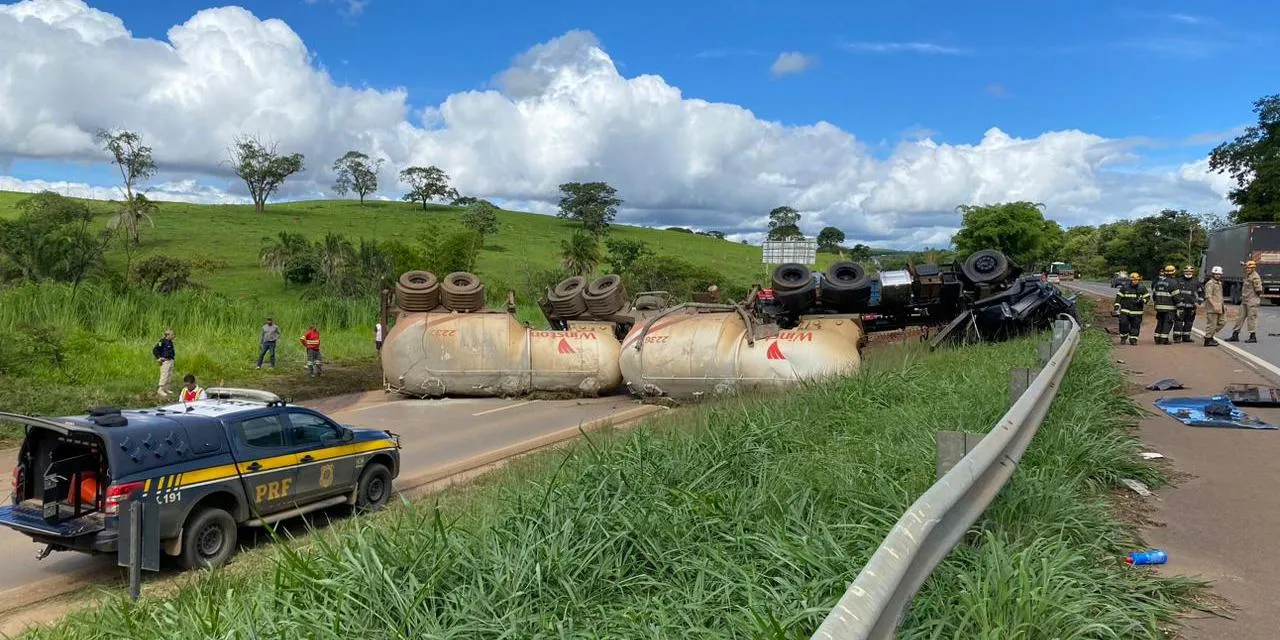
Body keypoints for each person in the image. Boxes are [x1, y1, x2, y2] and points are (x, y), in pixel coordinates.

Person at [1227, 259, 1263, 343]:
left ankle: (1252, 336)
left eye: (1249, 268)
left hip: (1252, 301)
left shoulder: (1255, 277)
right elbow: (1245, 265)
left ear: (1253, 269)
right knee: (1240, 317)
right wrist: (1243, 264)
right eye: (1246, 268)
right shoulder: (1248, 275)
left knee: (1251, 318)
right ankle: (1235, 334)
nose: (1247, 269)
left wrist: (1254, 298)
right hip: (1245, 300)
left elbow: (1259, 290)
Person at [1113, 272, 1149, 346]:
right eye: (1134, 280)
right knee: (1123, 324)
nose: (1135, 281)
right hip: (1125, 311)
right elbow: (1119, 297)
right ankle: (1123, 337)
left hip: (1137, 312)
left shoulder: (1142, 288)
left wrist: (1143, 300)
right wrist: (1117, 305)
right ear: (1130, 280)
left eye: (1137, 280)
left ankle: (1133, 339)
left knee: (1135, 326)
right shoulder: (1125, 288)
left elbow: (1147, 297)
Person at [1174, 265, 1203, 343]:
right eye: (1187, 271)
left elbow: (1201, 292)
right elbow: (1174, 292)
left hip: (1192, 306)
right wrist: (1176, 302)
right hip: (1181, 306)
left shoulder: (1196, 281)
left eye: (1190, 272)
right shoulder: (1178, 280)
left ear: (1192, 272)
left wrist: (1199, 302)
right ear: (1184, 272)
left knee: (1189, 322)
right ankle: (1177, 338)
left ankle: (1186, 337)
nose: (1188, 273)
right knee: (1178, 322)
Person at [1151, 264, 1178, 345]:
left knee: (1160, 323)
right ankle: (1164, 339)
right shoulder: (1173, 282)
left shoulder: (1158, 282)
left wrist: (1157, 303)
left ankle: (1157, 338)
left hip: (1159, 308)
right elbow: (1176, 296)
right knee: (1167, 323)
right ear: (1174, 273)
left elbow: (1154, 295)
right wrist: (1180, 305)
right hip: (1169, 308)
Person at [1203, 266, 1226, 346]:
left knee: (1222, 322)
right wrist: (1214, 305)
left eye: (1219, 274)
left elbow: (1220, 296)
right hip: (1212, 308)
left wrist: (1223, 306)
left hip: (1220, 307)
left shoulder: (1219, 283)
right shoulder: (1210, 284)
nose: (1218, 275)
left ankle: (1210, 335)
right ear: (1213, 274)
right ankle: (1208, 339)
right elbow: (1208, 296)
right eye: (1216, 274)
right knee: (1212, 324)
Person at [152, 329, 175, 398]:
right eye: (172, 335)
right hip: (165, 361)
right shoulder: (162, 342)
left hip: (170, 360)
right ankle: (160, 389)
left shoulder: (170, 342)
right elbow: (155, 349)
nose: (174, 336)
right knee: (164, 375)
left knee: (169, 375)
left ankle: (166, 388)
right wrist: (158, 358)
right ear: (167, 335)